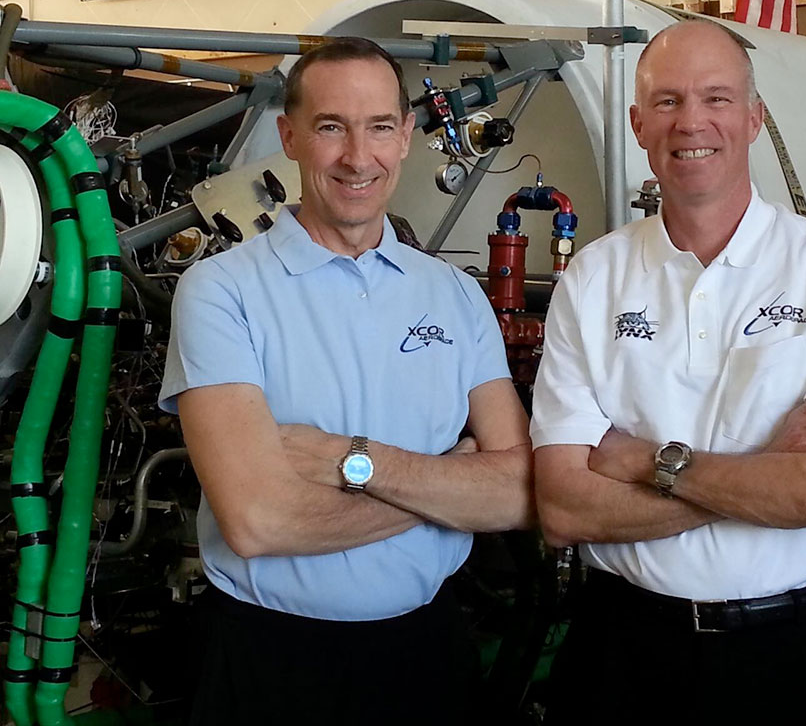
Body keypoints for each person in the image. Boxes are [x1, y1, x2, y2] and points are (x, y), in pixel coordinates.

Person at [530, 20, 806, 725]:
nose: (692, 123)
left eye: (716, 98)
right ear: (639, 124)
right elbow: (563, 509)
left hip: (797, 653)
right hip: (624, 651)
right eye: (669, 102)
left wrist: (646, 461)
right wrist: (770, 471)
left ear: (755, 117)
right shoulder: (593, 278)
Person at [159, 38, 534, 725]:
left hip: (428, 651)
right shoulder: (221, 292)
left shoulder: (455, 295)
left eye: (380, 127)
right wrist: (448, 487)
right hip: (273, 661)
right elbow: (258, 521)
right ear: (291, 137)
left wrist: (348, 462)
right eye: (332, 127)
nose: (358, 157)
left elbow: (516, 494)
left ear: (408, 137)